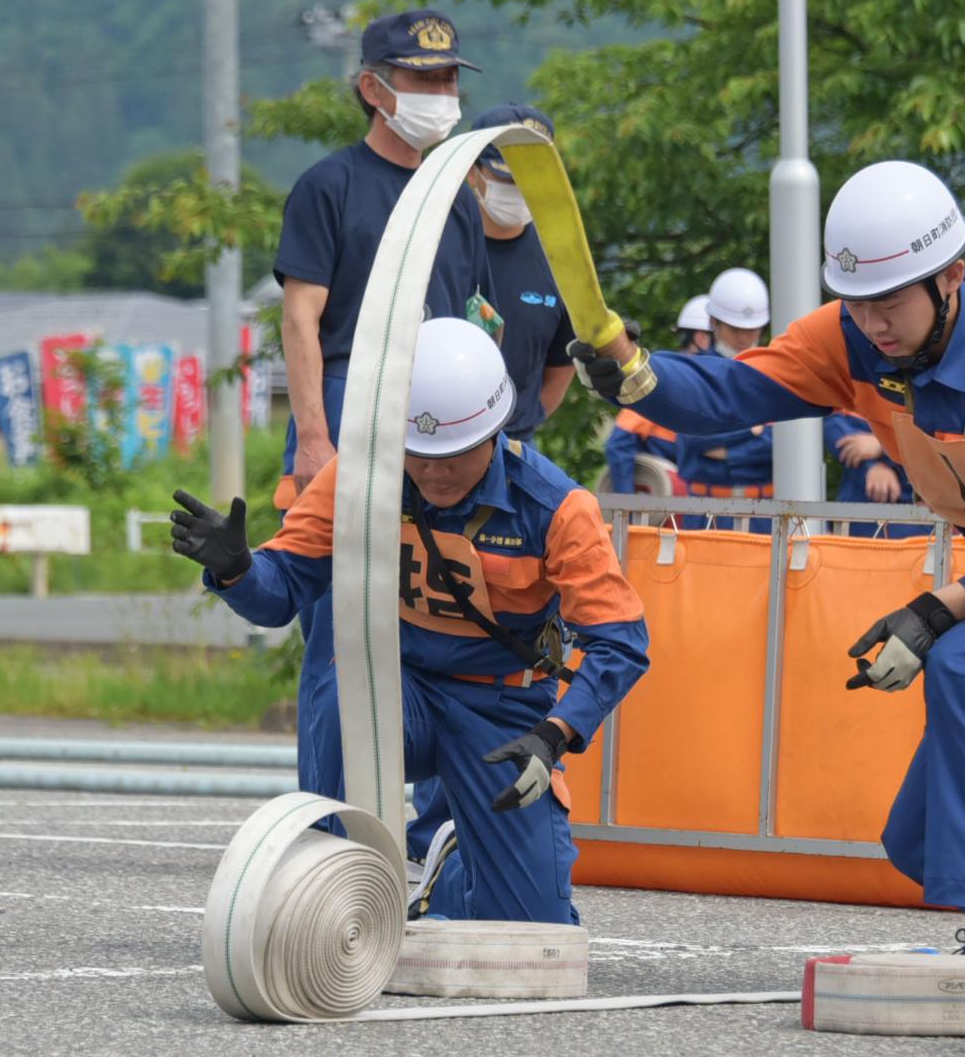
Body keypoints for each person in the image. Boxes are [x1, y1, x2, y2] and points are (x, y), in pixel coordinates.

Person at [571, 160, 965, 990]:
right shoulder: (848, 339)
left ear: (950, 277)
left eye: (891, 300)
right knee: (922, 837)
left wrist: (940, 609)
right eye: (857, 300)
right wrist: (638, 370)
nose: (872, 321)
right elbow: (734, 391)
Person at [169, 318, 648, 924]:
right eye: (417, 455)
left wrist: (556, 733)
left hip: (505, 714)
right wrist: (238, 571)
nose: (434, 473)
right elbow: (284, 589)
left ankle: (450, 871)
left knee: (533, 931)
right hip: (398, 691)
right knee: (341, 688)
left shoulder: (558, 509)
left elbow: (622, 643)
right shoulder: (359, 478)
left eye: (453, 455)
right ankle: (328, 881)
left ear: (495, 432)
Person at [269, 7, 492, 838]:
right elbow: (300, 320)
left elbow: (470, 320)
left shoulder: (459, 202)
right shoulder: (330, 186)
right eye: (421, 78)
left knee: (451, 620)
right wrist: (316, 439)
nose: (439, 94)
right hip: (347, 410)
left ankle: (441, 840)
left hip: (440, 427)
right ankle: (327, 836)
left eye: (446, 79)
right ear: (373, 87)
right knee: (336, 633)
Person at [466, 103, 576, 448]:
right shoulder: (440, 245)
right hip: (437, 442)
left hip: (516, 445)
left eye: (532, 177)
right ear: (474, 173)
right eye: (507, 176)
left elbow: (562, 364)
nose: (520, 188)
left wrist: (525, 417)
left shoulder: (560, 260)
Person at [675, 269, 776, 528]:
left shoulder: (776, 371)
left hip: (763, 513)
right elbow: (695, 436)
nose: (745, 337)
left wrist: (726, 449)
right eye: (735, 328)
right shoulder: (696, 372)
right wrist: (752, 430)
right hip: (705, 510)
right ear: (714, 323)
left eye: (753, 329)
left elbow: (783, 443)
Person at [601, 298, 708, 494]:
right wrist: (628, 508)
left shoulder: (710, 387)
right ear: (702, 338)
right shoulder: (667, 380)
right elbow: (619, 444)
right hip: (663, 502)